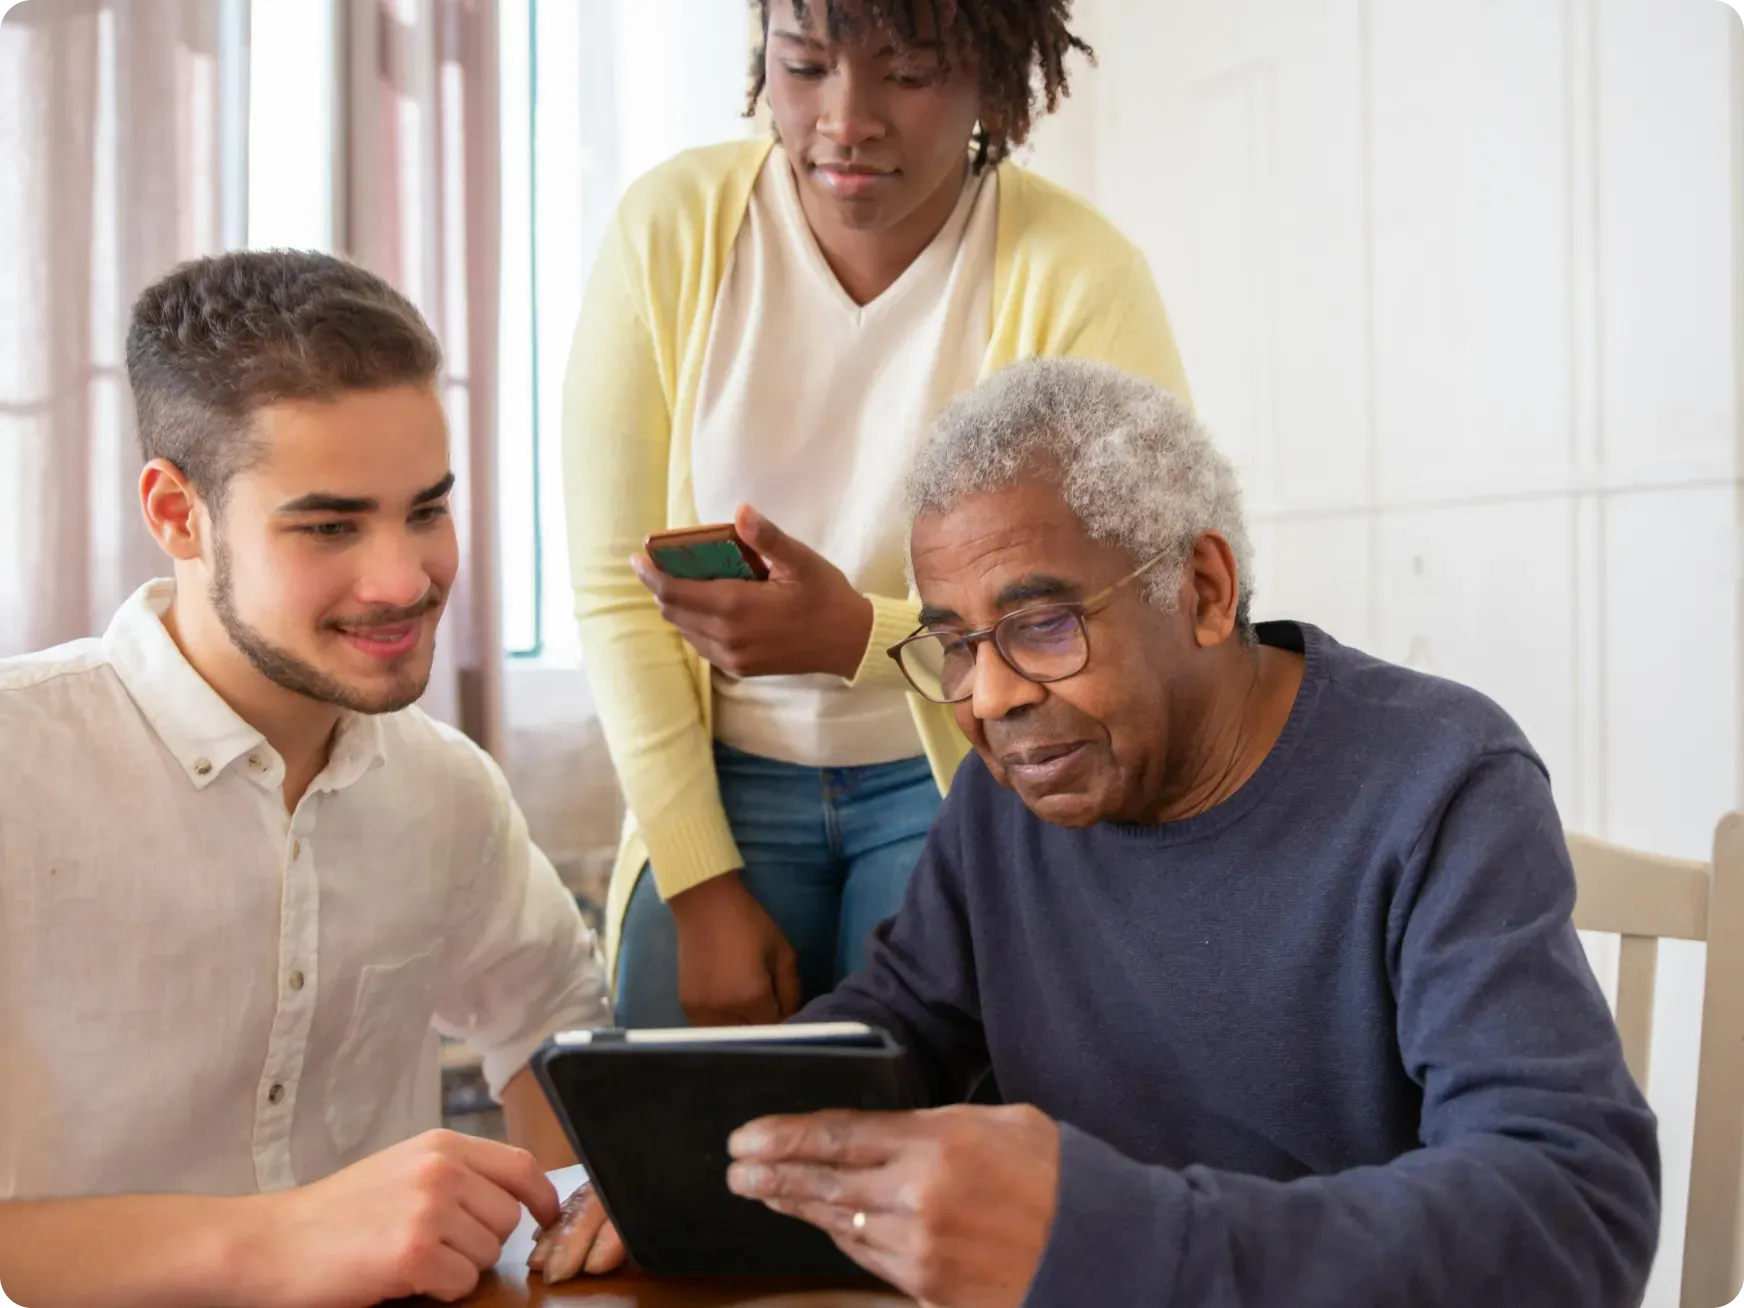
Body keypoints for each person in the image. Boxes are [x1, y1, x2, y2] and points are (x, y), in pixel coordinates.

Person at [531, 358, 1660, 1305]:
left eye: (1040, 624)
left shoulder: (1436, 781)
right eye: (954, 643)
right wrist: (692, 1167)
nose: (989, 697)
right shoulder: (1015, 788)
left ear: (1205, 590)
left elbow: (1570, 1205)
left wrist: (1115, 1236)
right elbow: (898, 1026)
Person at [564, 0, 1190, 1030]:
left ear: (994, 76)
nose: (845, 119)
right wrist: (699, 885)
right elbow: (612, 584)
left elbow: (1126, 608)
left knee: (919, 1131)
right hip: (713, 776)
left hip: (957, 773)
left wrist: (862, 636)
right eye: (803, 66)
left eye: (907, 74)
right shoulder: (670, 230)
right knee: (674, 1150)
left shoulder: (1077, 275)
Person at [0, 250, 607, 1308]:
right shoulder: (20, 769)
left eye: (427, 509)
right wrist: (274, 1242)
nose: (405, 579)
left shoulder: (447, 791)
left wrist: (581, 1229)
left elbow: (553, 1025)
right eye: (329, 526)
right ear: (178, 514)